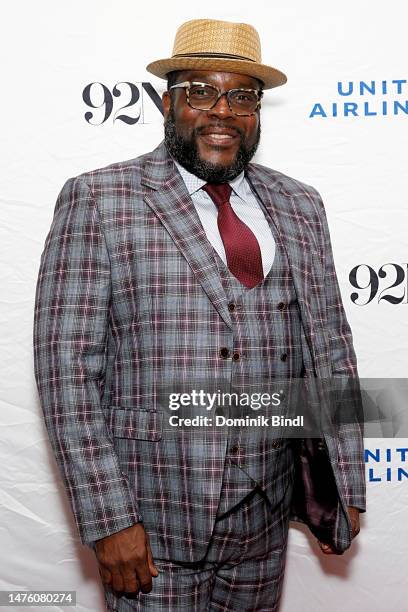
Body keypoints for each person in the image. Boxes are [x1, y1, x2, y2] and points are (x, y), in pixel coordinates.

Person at [33, 18, 366, 612]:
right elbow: (67, 373)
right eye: (201, 91)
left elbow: (331, 349)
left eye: (242, 95)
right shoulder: (101, 198)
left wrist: (346, 479)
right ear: (168, 102)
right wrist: (109, 519)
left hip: (263, 524)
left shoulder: (300, 204)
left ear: (258, 109)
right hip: (150, 525)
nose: (222, 111)